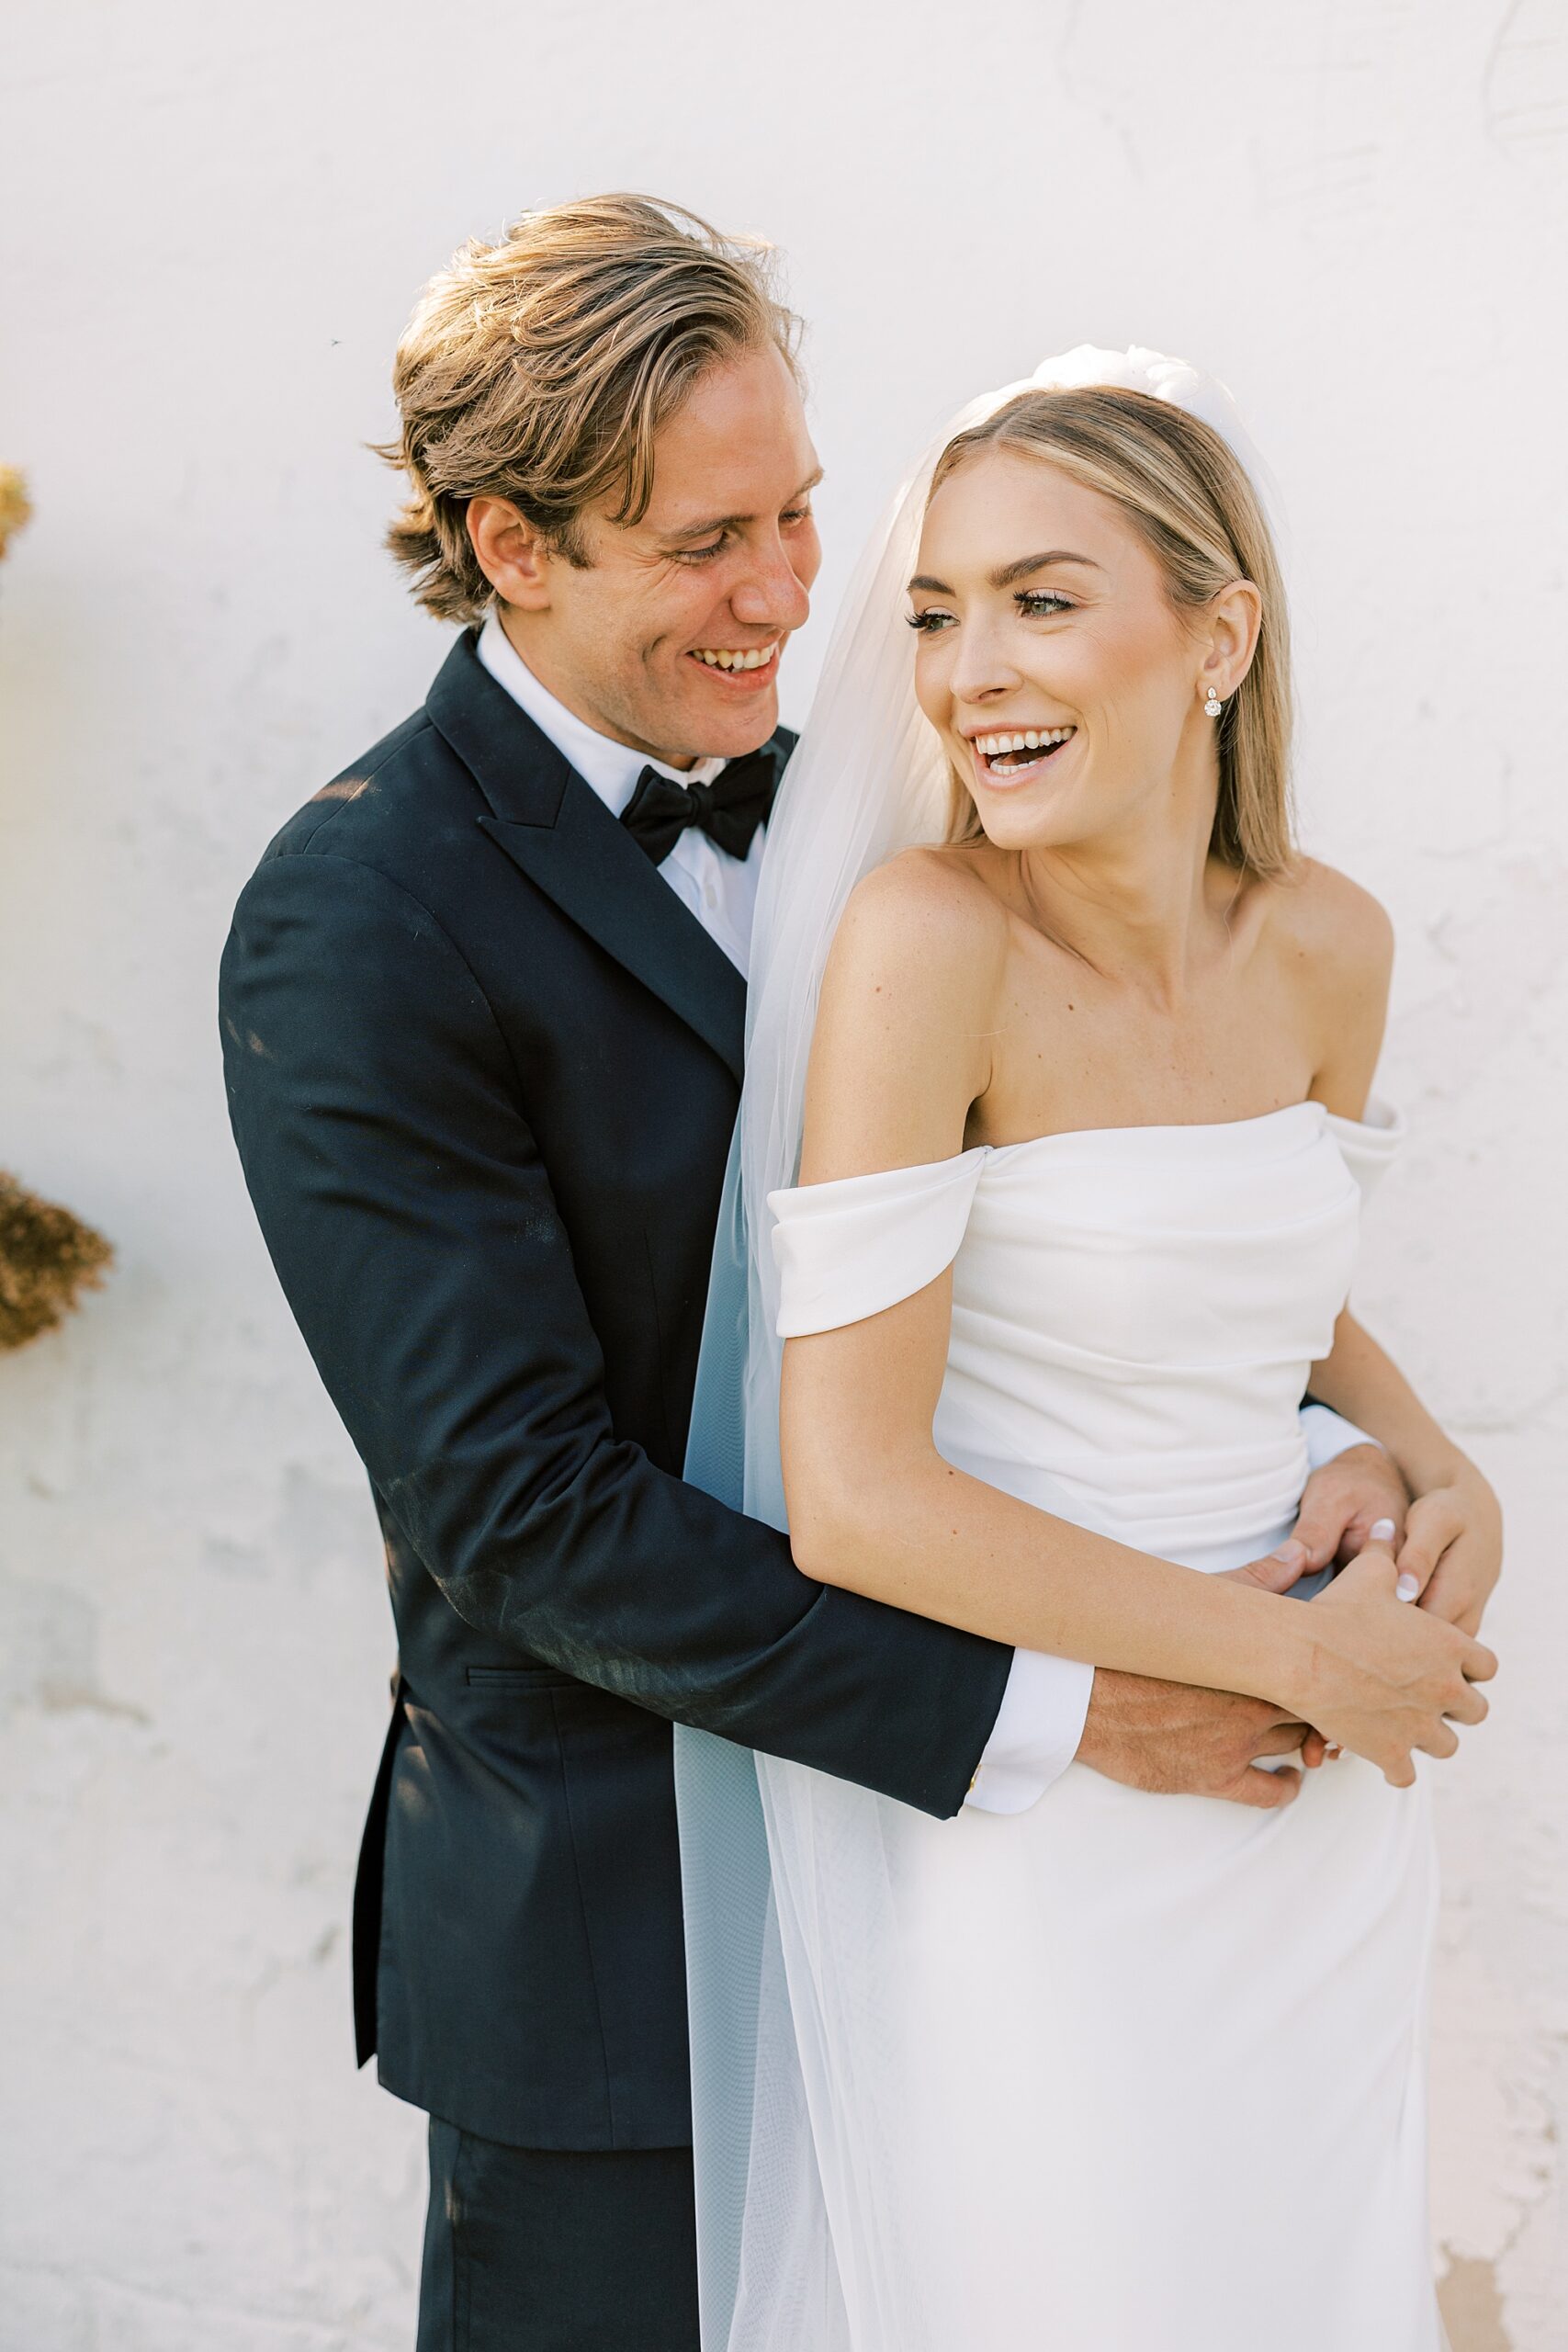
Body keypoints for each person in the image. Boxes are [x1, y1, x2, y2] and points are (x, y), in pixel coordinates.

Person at [218, 198, 1492, 2352]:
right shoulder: (359, 916)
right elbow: (523, 1514)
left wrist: (1377, 1430)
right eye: (711, 540)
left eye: (803, 514)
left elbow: (1110, 1203)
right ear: (509, 542)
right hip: (630, 1950)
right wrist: (1080, 1711)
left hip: (1015, 1905)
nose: (791, 595)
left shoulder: (873, 839)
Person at [679, 348, 1503, 2351]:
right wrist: (1294, 1647)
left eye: (1041, 599)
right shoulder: (924, 940)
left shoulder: (1328, 942)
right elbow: (857, 1498)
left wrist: (1430, 1460)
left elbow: (1259, 1287)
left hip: (1317, 1816)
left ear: (1215, 635)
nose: (968, 676)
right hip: (1049, 1826)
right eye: (939, 614)